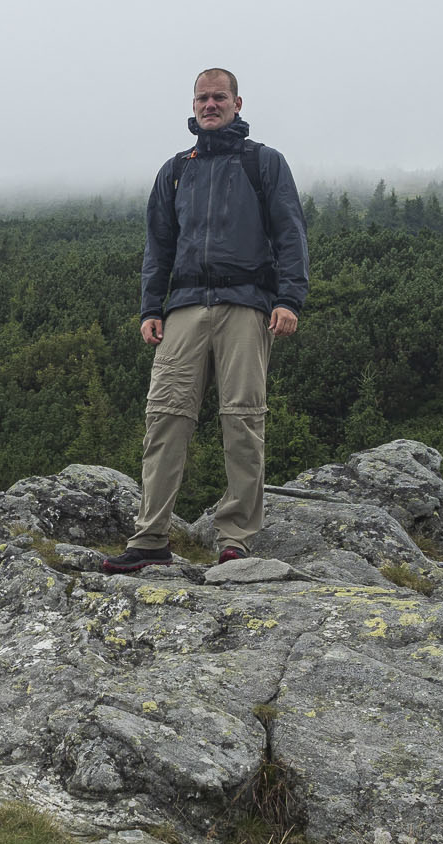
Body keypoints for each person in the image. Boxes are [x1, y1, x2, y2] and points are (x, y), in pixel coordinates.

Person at [103, 68, 310, 573]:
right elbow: (159, 245)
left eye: (219, 97)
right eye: (202, 97)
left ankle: (236, 537)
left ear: (238, 103)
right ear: (192, 105)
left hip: (247, 305)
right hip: (185, 307)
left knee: (243, 419)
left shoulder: (264, 162)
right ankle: (151, 537)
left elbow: (290, 234)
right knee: (166, 417)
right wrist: (152, 307)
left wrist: (290, 300)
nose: (210, 105)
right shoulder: (176, 170)